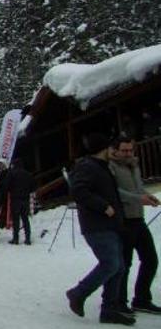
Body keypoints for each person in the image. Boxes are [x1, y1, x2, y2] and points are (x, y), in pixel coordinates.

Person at [66, 133, 134, 326]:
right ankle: (78, 293)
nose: (116, 151)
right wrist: (104, 206)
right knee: (111, 264)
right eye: (113, 148)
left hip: (109, 225)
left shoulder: (101, 167)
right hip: (96, 225)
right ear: (105, 149)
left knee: (119, 266)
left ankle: (109, 309)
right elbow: (78, 190)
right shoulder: (87, 166)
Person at [109, 136, 161, 315]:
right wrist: (140, 199)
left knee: (151, 259)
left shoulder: (134, 165)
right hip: (123, 221)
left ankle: (142, 299)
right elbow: (116, 192)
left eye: (130, 150)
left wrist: (148, 196)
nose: (127, 153)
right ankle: (119, 302)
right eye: (124, 150)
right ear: (115, 150)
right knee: (125, 263)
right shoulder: (111, 167)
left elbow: (137, 189)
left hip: (139, 219)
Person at [5, 160, 37, 245]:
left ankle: (15, 239)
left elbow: (7, 186)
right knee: (25, 219)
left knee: (16, 219)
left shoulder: (12, 174)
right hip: (25, 199)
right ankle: (28, 238)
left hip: (15, 199)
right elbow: (33, 187)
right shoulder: (28, 174)